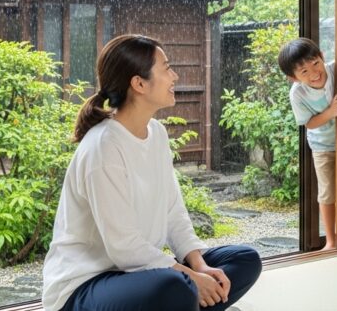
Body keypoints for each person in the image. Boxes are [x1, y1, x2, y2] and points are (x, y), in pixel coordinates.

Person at [42, 34, 261, 311]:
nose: (175, 76)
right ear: (139, 83)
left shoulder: (156, 133)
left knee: (244, 260)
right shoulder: (103, 147)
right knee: (175, 287)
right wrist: (191, 278)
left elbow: (173, 212)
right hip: (85, 285)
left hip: (136, 274)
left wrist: (199, 265)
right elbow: (123, 246)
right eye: (167, 68)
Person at [279, 37, 337, 251]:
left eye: (315, 64)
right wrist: (330, 112)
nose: (314, 73)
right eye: (304, 72)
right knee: (327, 193)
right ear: (294, 78)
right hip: (322, 146)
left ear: (322, 57)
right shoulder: (298, 93)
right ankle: (330, 241)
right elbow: (308, 123)